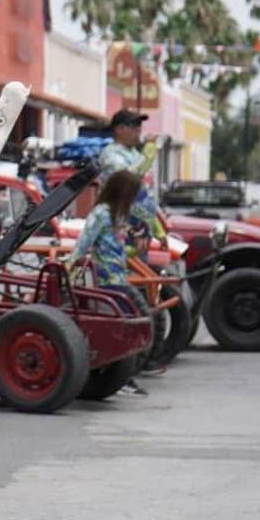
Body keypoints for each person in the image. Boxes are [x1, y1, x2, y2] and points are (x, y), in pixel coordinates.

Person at [72, 169, 150, 396]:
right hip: (106, 279)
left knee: (127, 324)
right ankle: (121, 378)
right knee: (119, 327)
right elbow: (84, 243)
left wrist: (135, 248)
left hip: (119, 277)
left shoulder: (119, 215)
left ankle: (124, 377)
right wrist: (70, 265)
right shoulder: (101, 213)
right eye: (132, 193)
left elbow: (117, 247)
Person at [99, 109, 168, 259]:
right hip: (120, 229)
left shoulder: (135, 154)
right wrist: (150, 149)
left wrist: (158, 231)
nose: (139, 129)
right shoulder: (111, 155)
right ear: (119, 129)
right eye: (133, 125)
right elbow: (130, 176)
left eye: (139, 125)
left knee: (141, 272)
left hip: (139, 233)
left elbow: (142, 198)